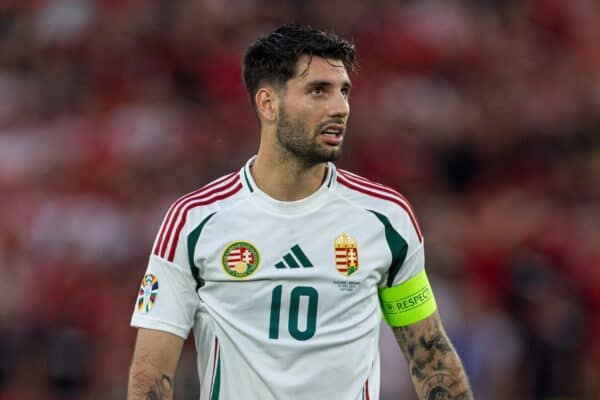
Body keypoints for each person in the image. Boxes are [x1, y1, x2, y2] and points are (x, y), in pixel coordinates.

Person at [127, 24, 473, 400]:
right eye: (318, 91)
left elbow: (431, 356)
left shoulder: (386, 219)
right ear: (268, 103)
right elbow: (151, 373)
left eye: (344, 92)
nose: (340, 108)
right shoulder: (195, 221)